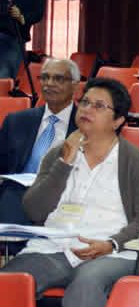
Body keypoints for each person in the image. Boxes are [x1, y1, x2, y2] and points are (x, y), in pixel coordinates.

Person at [0, 78, 139, 307]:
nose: (87, 109)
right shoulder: (58, 154)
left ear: (118, 120)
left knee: (85, 284)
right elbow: (34, 209)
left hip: (111, 251)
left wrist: (111, 243)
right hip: (55, 247)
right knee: (11, 282)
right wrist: (64, 163)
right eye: (85, 102)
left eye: (99, 106)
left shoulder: (134, 160)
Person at [0, 57, 77, 223]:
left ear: (75, 85)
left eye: (58, 78)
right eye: (44, 77)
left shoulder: (85, 126)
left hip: (63, 197)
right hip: (16, 194)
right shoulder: (16, 121)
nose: (49, 84)